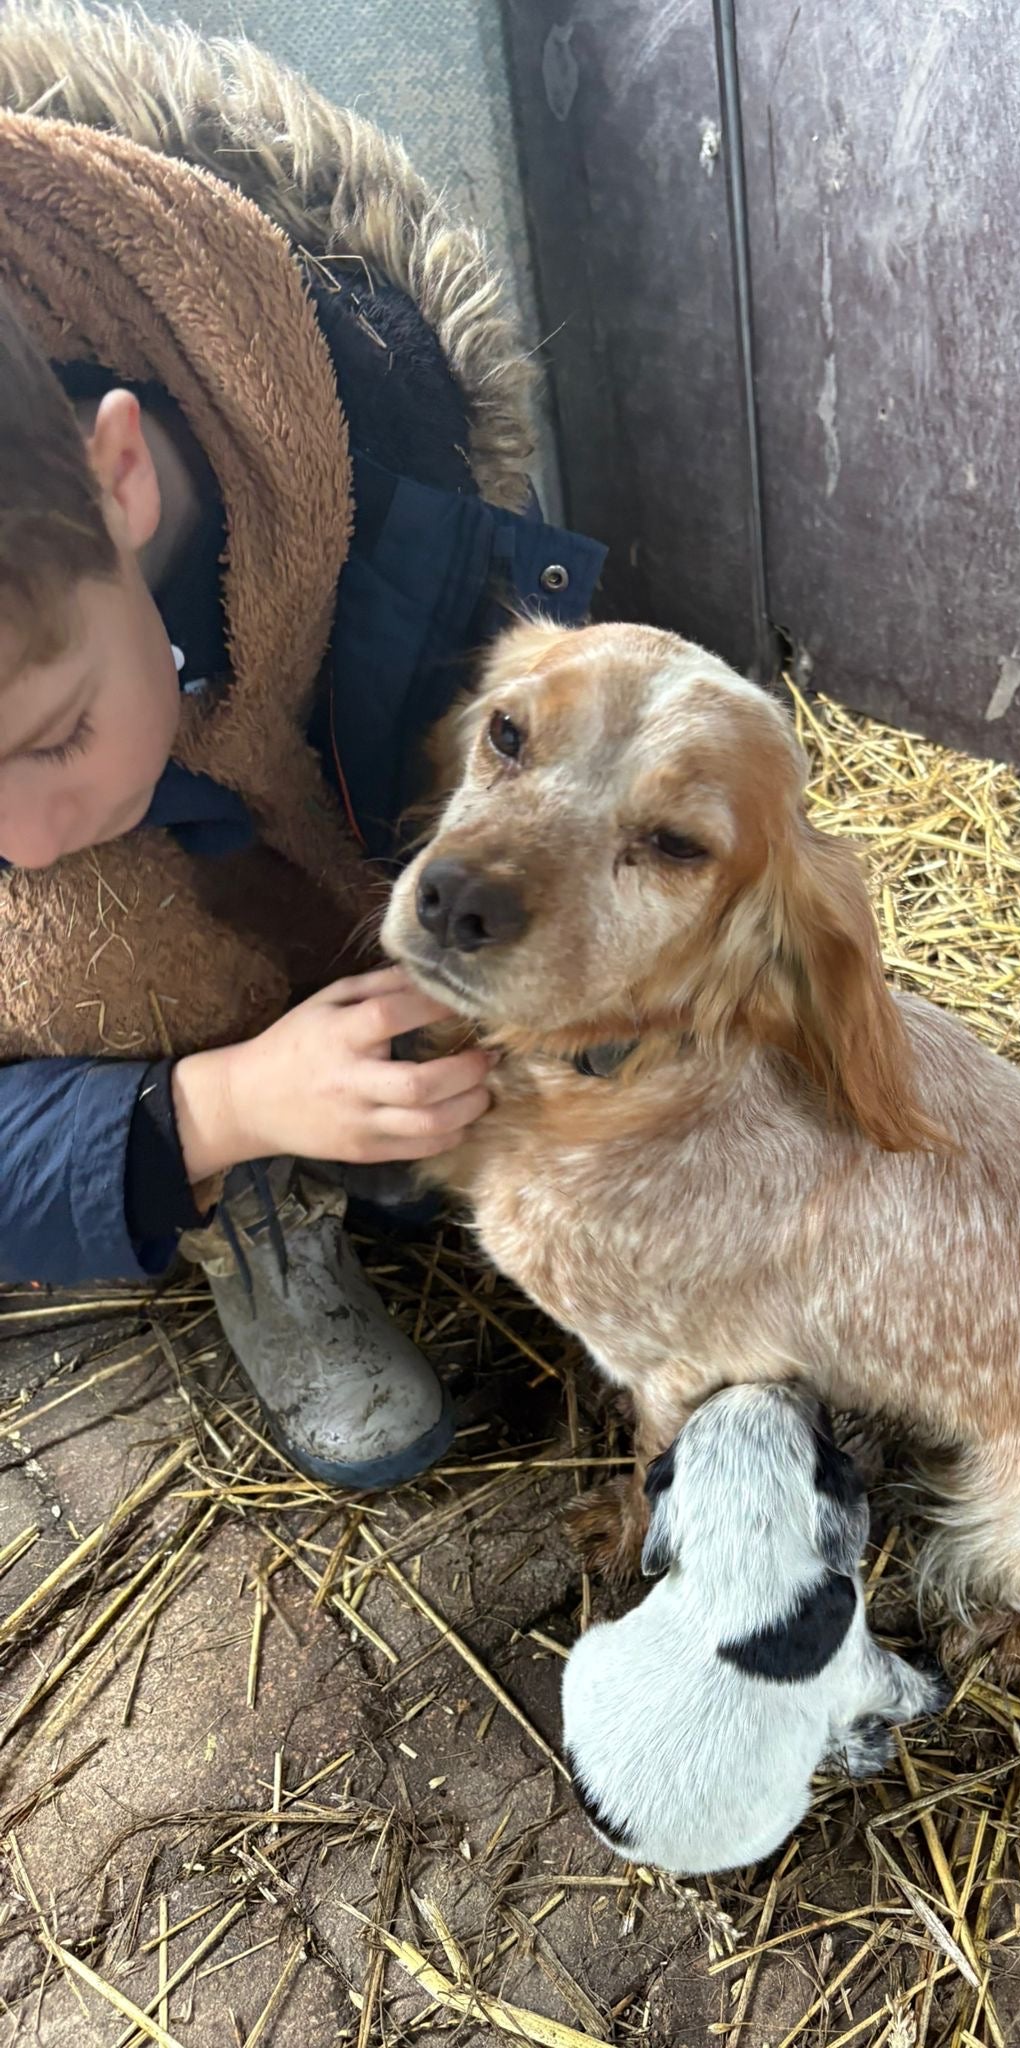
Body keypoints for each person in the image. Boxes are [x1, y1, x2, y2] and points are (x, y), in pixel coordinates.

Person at [0, 6, 605, 1487]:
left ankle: (415, 1077)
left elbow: (542, 740)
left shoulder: (382, 472)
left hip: (357, 862)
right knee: (71, 929)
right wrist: (215, 1109)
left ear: (121, 478)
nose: (17, 845)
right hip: (168, 1073)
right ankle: (252, 1196)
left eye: (56, 734)